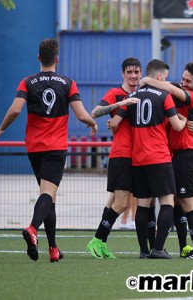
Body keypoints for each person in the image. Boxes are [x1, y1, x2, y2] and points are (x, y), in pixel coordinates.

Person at [0, 38, 98, 262]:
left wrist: (0, 129)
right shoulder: (68, 83)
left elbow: (16, 110)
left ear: (39, 57)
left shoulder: (27, 82)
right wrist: (92, 123)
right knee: (47, 194)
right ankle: (32, 229)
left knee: (50, 197)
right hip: (55, 147)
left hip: (34, 146)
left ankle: (53, 249)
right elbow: (80, 114)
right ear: (56, 59)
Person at [139, 62, 193, 259]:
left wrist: (147, 80)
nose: (183, 83)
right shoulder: (182, 96)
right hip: (184, 156)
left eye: (188, 81)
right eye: (182, 79)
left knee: (189, 205)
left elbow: (167, 87)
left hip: (186, 157)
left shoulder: (191, 97)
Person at [111, 59, 187, 259]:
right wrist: (184, 119)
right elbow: (177, 126)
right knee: (167, 201)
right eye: (166, 78)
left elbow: (115, 123)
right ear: (160, 77)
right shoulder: (164, 96)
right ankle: (158, 249)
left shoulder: (132, 96)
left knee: (143, 204)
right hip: (159, 156)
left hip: (138, 158)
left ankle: (144, 251)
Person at [86, 57, 142, 258]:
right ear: (123, 74)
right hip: (121, 154)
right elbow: (95, 112)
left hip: (137, 156)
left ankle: (100, 242)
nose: (133, 76)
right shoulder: (115, 93)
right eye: (130, 72)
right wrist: (121, 103)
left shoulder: (143, 94)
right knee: (121, 203)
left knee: (112, 202)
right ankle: (96, 240)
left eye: (137, 72)